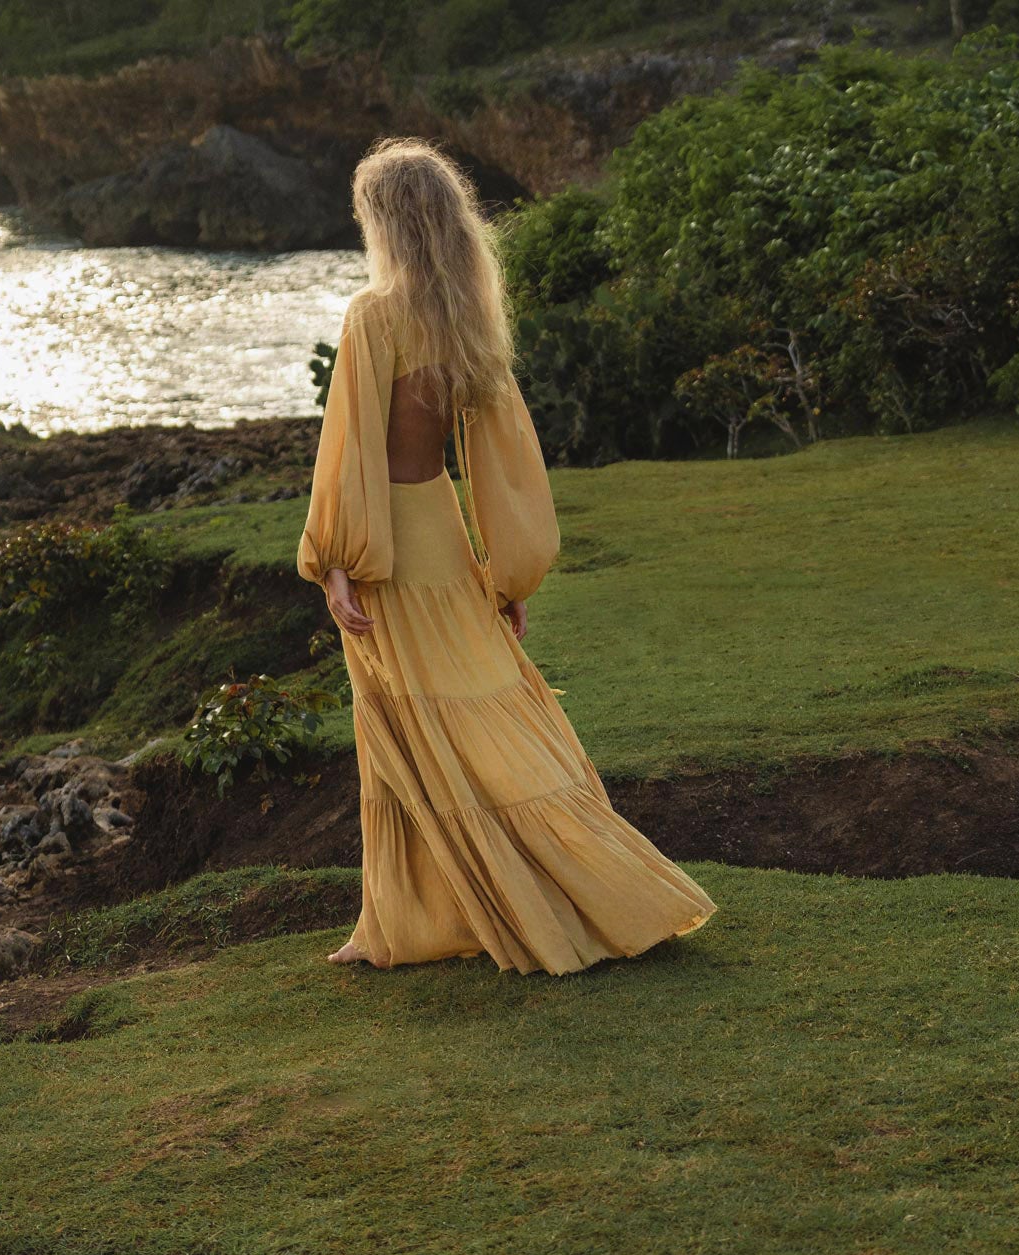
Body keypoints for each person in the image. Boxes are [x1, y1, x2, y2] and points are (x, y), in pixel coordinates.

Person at [297, 137, 718, 975]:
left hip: (390, 550)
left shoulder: (372, 317)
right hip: (446, 538)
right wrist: (506, 572)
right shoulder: (466, 317)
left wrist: (336, 560)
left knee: (401, 734)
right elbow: (501, 457)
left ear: (384, 224)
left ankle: (401, 924)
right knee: (478, 718)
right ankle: (403, 921)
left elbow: (348, 454)